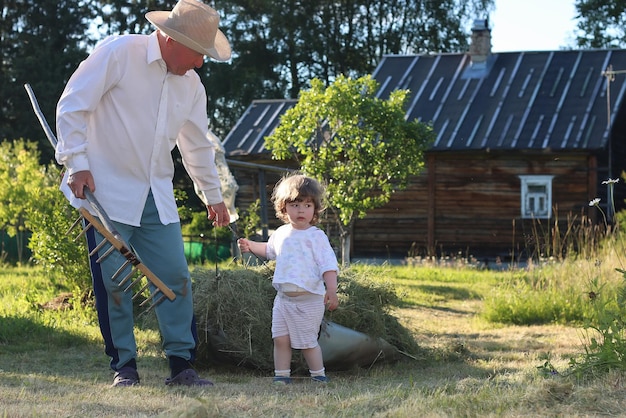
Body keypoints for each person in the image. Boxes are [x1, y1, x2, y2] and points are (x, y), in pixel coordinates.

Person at [55, 0, 231, 387]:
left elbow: (197, 145)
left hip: (156, 194)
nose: (201, 63)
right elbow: (72, 106)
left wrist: (213, 195)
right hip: (105, 192)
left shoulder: (192, 85)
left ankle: (182, 365)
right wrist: (76, 162)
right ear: (171, 40)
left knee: (175, 277)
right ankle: (125, 368)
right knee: (114, 283)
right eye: (197, 53)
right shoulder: (119, 54)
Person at [237, 174, 339, 384]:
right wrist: (250, 246)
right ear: (284, 208)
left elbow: (328, 266)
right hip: (283, 300)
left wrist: (332, 290)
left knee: (307, 342)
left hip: (309, 300)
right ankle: (281, 377)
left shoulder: (316, 236)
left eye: (307, 205)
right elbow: (269, 249)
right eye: (295, 204)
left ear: (315, 209)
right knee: (280, 339)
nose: (301, 210)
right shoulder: (281, 233)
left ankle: (318, 375)